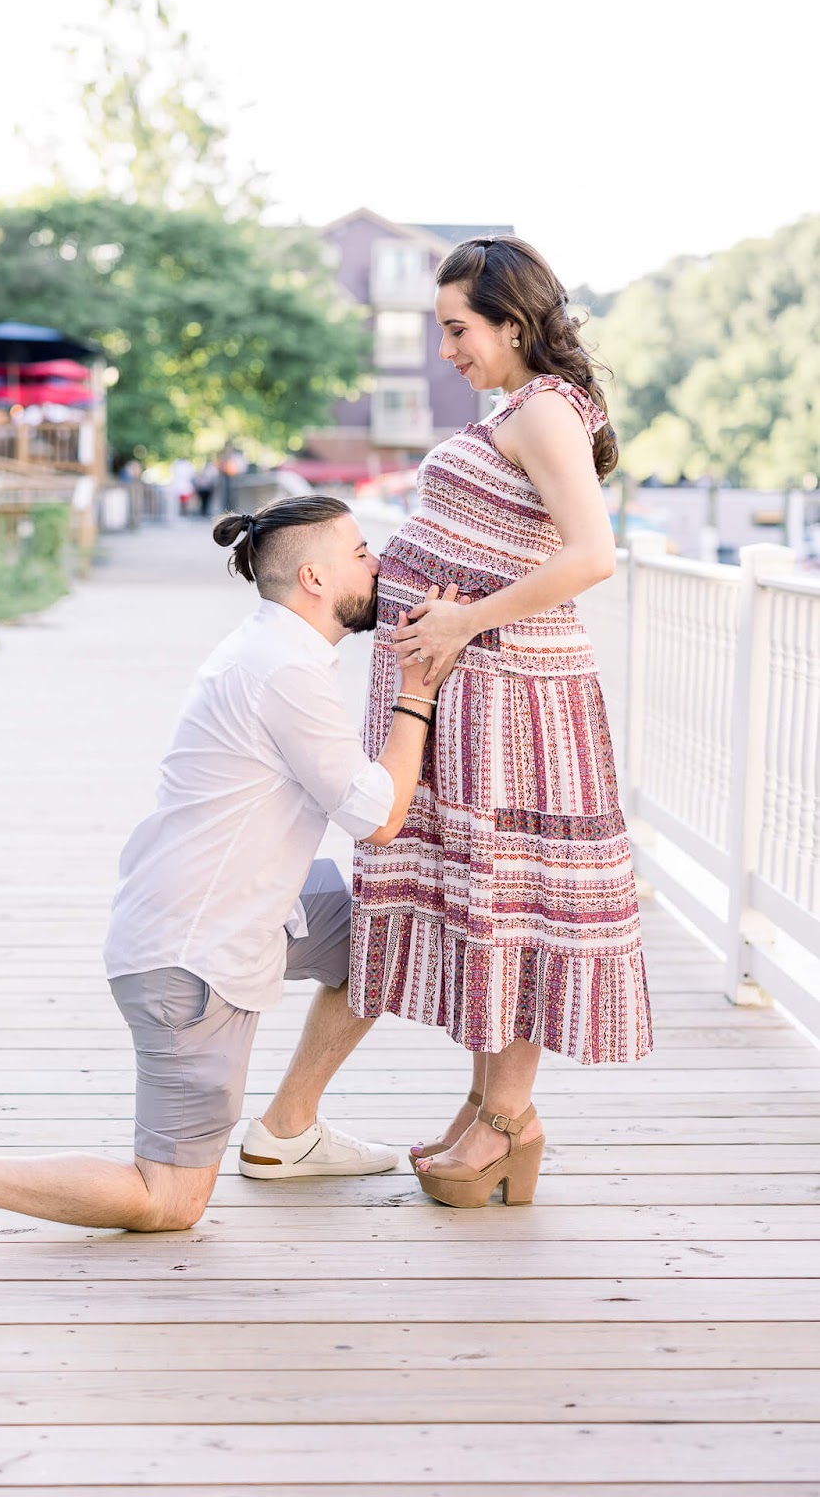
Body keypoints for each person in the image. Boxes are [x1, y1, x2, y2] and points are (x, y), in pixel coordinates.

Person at [0, 496, 459, 1234]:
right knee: (169, 1200)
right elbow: (378, 818)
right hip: (191, 959)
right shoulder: (283, 671)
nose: (379, 565)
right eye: (362, 552)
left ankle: (288, 1131)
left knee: (384, 932)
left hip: (238, 905)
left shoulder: (274, 647)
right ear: (314, 576)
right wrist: (417, 689)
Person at [350, 236, 653, 1210]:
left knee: (513, 906)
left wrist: (461, 619)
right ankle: (491, 1109)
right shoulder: (518, 410)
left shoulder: (547, 413)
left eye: (457, 329)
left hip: (519, 697)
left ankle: (505, 1119)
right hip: (485, 695)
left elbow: (592, 554)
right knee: (492, 900)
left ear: (512, 323)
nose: (447, 350)